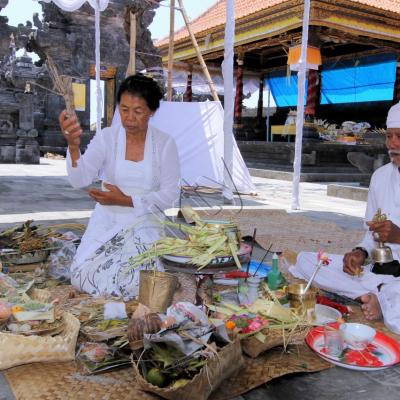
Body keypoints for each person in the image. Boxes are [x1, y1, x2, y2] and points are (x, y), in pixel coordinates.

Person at [59, 74, 180, 299]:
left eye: (138, 111)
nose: (129, 118)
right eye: (124, 109)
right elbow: (80, 179)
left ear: (152, 112)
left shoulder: (165, 144)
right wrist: (74, 147)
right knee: (82, 276)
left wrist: (126, 200)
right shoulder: (107, 138)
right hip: (108, 220)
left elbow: (171, 193)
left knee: (134, 282)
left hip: (145, 222)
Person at [292, 101, 400, 334]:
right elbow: (372, 235)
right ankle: (369, 296)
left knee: (397, 321)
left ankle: (384, 300)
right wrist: (359, 253)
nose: (393, 144)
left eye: (399, 137)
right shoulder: (380, 178)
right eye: (389, 136)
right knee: (306, 261)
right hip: (375, 274)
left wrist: (399, 236)